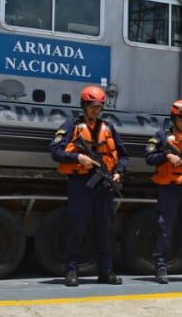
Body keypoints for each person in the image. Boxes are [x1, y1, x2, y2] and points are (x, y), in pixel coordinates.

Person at [50, 85, 127, 287]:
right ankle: (72, 271)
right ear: (84, 105)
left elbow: (123, 155)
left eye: (99, 106)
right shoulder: (71, 126)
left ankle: (106, 271)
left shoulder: (108, 128)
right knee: (76, 227)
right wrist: (78, 158)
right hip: (80, 184)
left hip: (104, 184)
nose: (95, 110)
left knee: (105, 229)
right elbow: (56, 151)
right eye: (92, 106)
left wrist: (119, 172)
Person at [145, 99, 182, 284]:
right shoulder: (162, 137)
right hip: (169, 190)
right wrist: (167, 156)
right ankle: (161, 269)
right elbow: (149, 157)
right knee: (165, 229)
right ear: (174, 119)